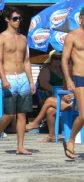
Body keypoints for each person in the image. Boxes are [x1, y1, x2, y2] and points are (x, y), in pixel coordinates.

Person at [0, 6, 35, 155]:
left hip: (22, 77)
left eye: (19, 19)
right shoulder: (0, 38)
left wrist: (31, 81)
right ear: (7, 20)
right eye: (15, 19)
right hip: (9, 77)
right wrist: (3, 79)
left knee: (22, 113)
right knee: (9, 114)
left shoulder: (23, 38)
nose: (18, 21)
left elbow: (27, 61)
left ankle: (20, 146)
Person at [61, 7, 84, 159]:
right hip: (79, 78)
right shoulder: (72, 36)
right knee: (83, 115)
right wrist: (68, 79)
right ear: (81, 18)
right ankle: (71, 140)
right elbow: (64, 59)